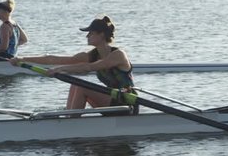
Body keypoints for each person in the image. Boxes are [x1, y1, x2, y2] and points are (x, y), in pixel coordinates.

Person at [9, 15, 137, 115]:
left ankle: (70, 122)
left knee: (82, 86)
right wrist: (22, 59)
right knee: (75, 84)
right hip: (113, 102)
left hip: (127, 103)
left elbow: (89, 67)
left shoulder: (118, 55)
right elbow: (54, 59)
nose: (87, 36)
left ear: (101, 34)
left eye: (90, 33)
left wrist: (61, 69)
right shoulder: (91, 55)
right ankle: (68, 116)